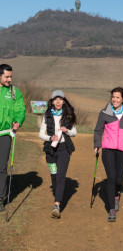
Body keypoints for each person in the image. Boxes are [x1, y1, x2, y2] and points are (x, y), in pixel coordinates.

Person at [94, 87, 123, 222]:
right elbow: (98, 130)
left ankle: (116, 195)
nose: (114, 99)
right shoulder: (104, 112)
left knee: (119, 180)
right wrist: (97, 145)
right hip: (108, 149)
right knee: (111, 178)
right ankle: (112, 209)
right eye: (113, 97)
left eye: (117, 97)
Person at [39, 90, 77, 218]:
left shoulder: (68, 115)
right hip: (50, 150)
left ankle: (57, 205)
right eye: (56, 99)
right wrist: (50, 138)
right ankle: (58, 193)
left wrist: (67, 131)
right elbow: (41, 134)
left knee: (61, 176)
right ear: (52, 101)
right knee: (54, 176)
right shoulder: (47, 114)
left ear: (64, 101)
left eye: (60, 99)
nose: (58, 101)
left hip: (63, 149)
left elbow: (74, 132)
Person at [0, 64, 25, 212]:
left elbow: (20, 109)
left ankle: (0, 199)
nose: (10, 79)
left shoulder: (14, 92)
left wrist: (18, 121)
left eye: (11, 77)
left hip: (4, 134)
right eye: (6, 77)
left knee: (2, 168)